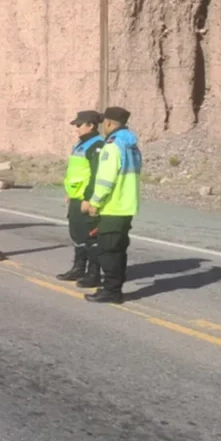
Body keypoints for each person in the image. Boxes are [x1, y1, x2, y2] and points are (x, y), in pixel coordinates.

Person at [84, 106, 142, 304]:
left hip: (113, 206)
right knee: (118, 250)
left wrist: (95, 202)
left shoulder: (112, 146)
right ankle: (113, 287)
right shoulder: (131, 145)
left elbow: (106, 180)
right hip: (126, 206)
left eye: (104, 123)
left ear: (109, 123)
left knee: (108, 251)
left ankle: (112, 290)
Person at [56, 110, 104, 286]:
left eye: (79, 125)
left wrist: (88, 198)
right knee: (77, 234)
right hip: (76, 197)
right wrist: (70, 193)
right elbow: (76, 171)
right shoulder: (81, 144)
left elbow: (96, 175)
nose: (76, 129)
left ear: (90, 125)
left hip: (86, 198)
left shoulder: (97, 146)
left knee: (90, 237)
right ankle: (78, 268)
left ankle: (93, 273)